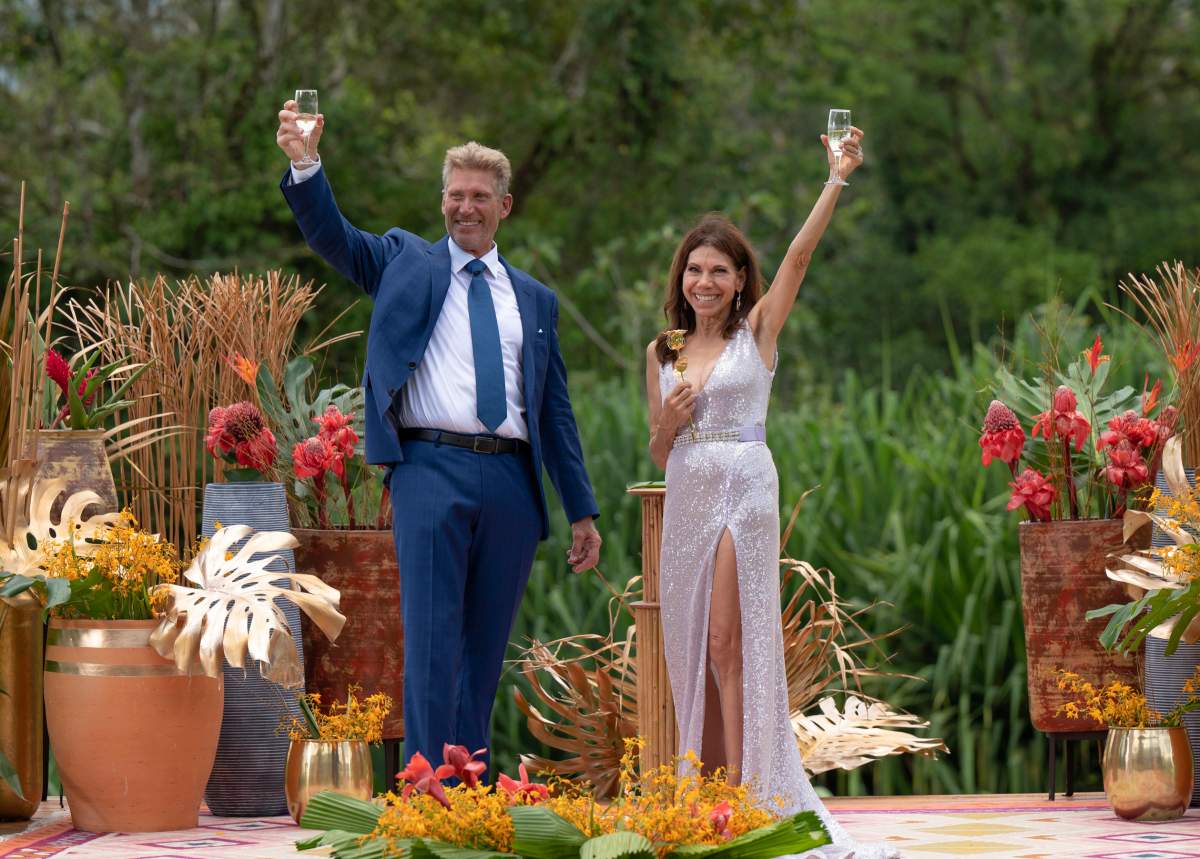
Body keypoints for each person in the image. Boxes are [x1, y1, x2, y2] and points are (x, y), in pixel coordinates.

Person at [276, 101, 602, 774]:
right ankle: (426, 796)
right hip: (428, 467)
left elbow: (555, 411)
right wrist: (305, 162)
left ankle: (470, 799)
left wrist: (582, 509)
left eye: (480, 196)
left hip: (512, 481)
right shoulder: (404, 261)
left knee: (483, 654)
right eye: (455, 195)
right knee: (428, 645)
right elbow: (332, 235)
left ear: (504, 205)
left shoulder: (534, 299)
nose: (465, 207)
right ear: (443, 202)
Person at [646, 129, 896, 858]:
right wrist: (668, 420)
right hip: (687, 491)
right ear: (682, 277)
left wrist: (836, 178)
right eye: (695, 269)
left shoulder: (757, 333)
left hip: (744, 487)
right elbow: (657, 451)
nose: (705, 282)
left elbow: (799, 257)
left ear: (738, 278)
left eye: (719, 270)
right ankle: (712, 792)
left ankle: (755, 797)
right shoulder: (661, 350)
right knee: (695, 649)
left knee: (730, 640)